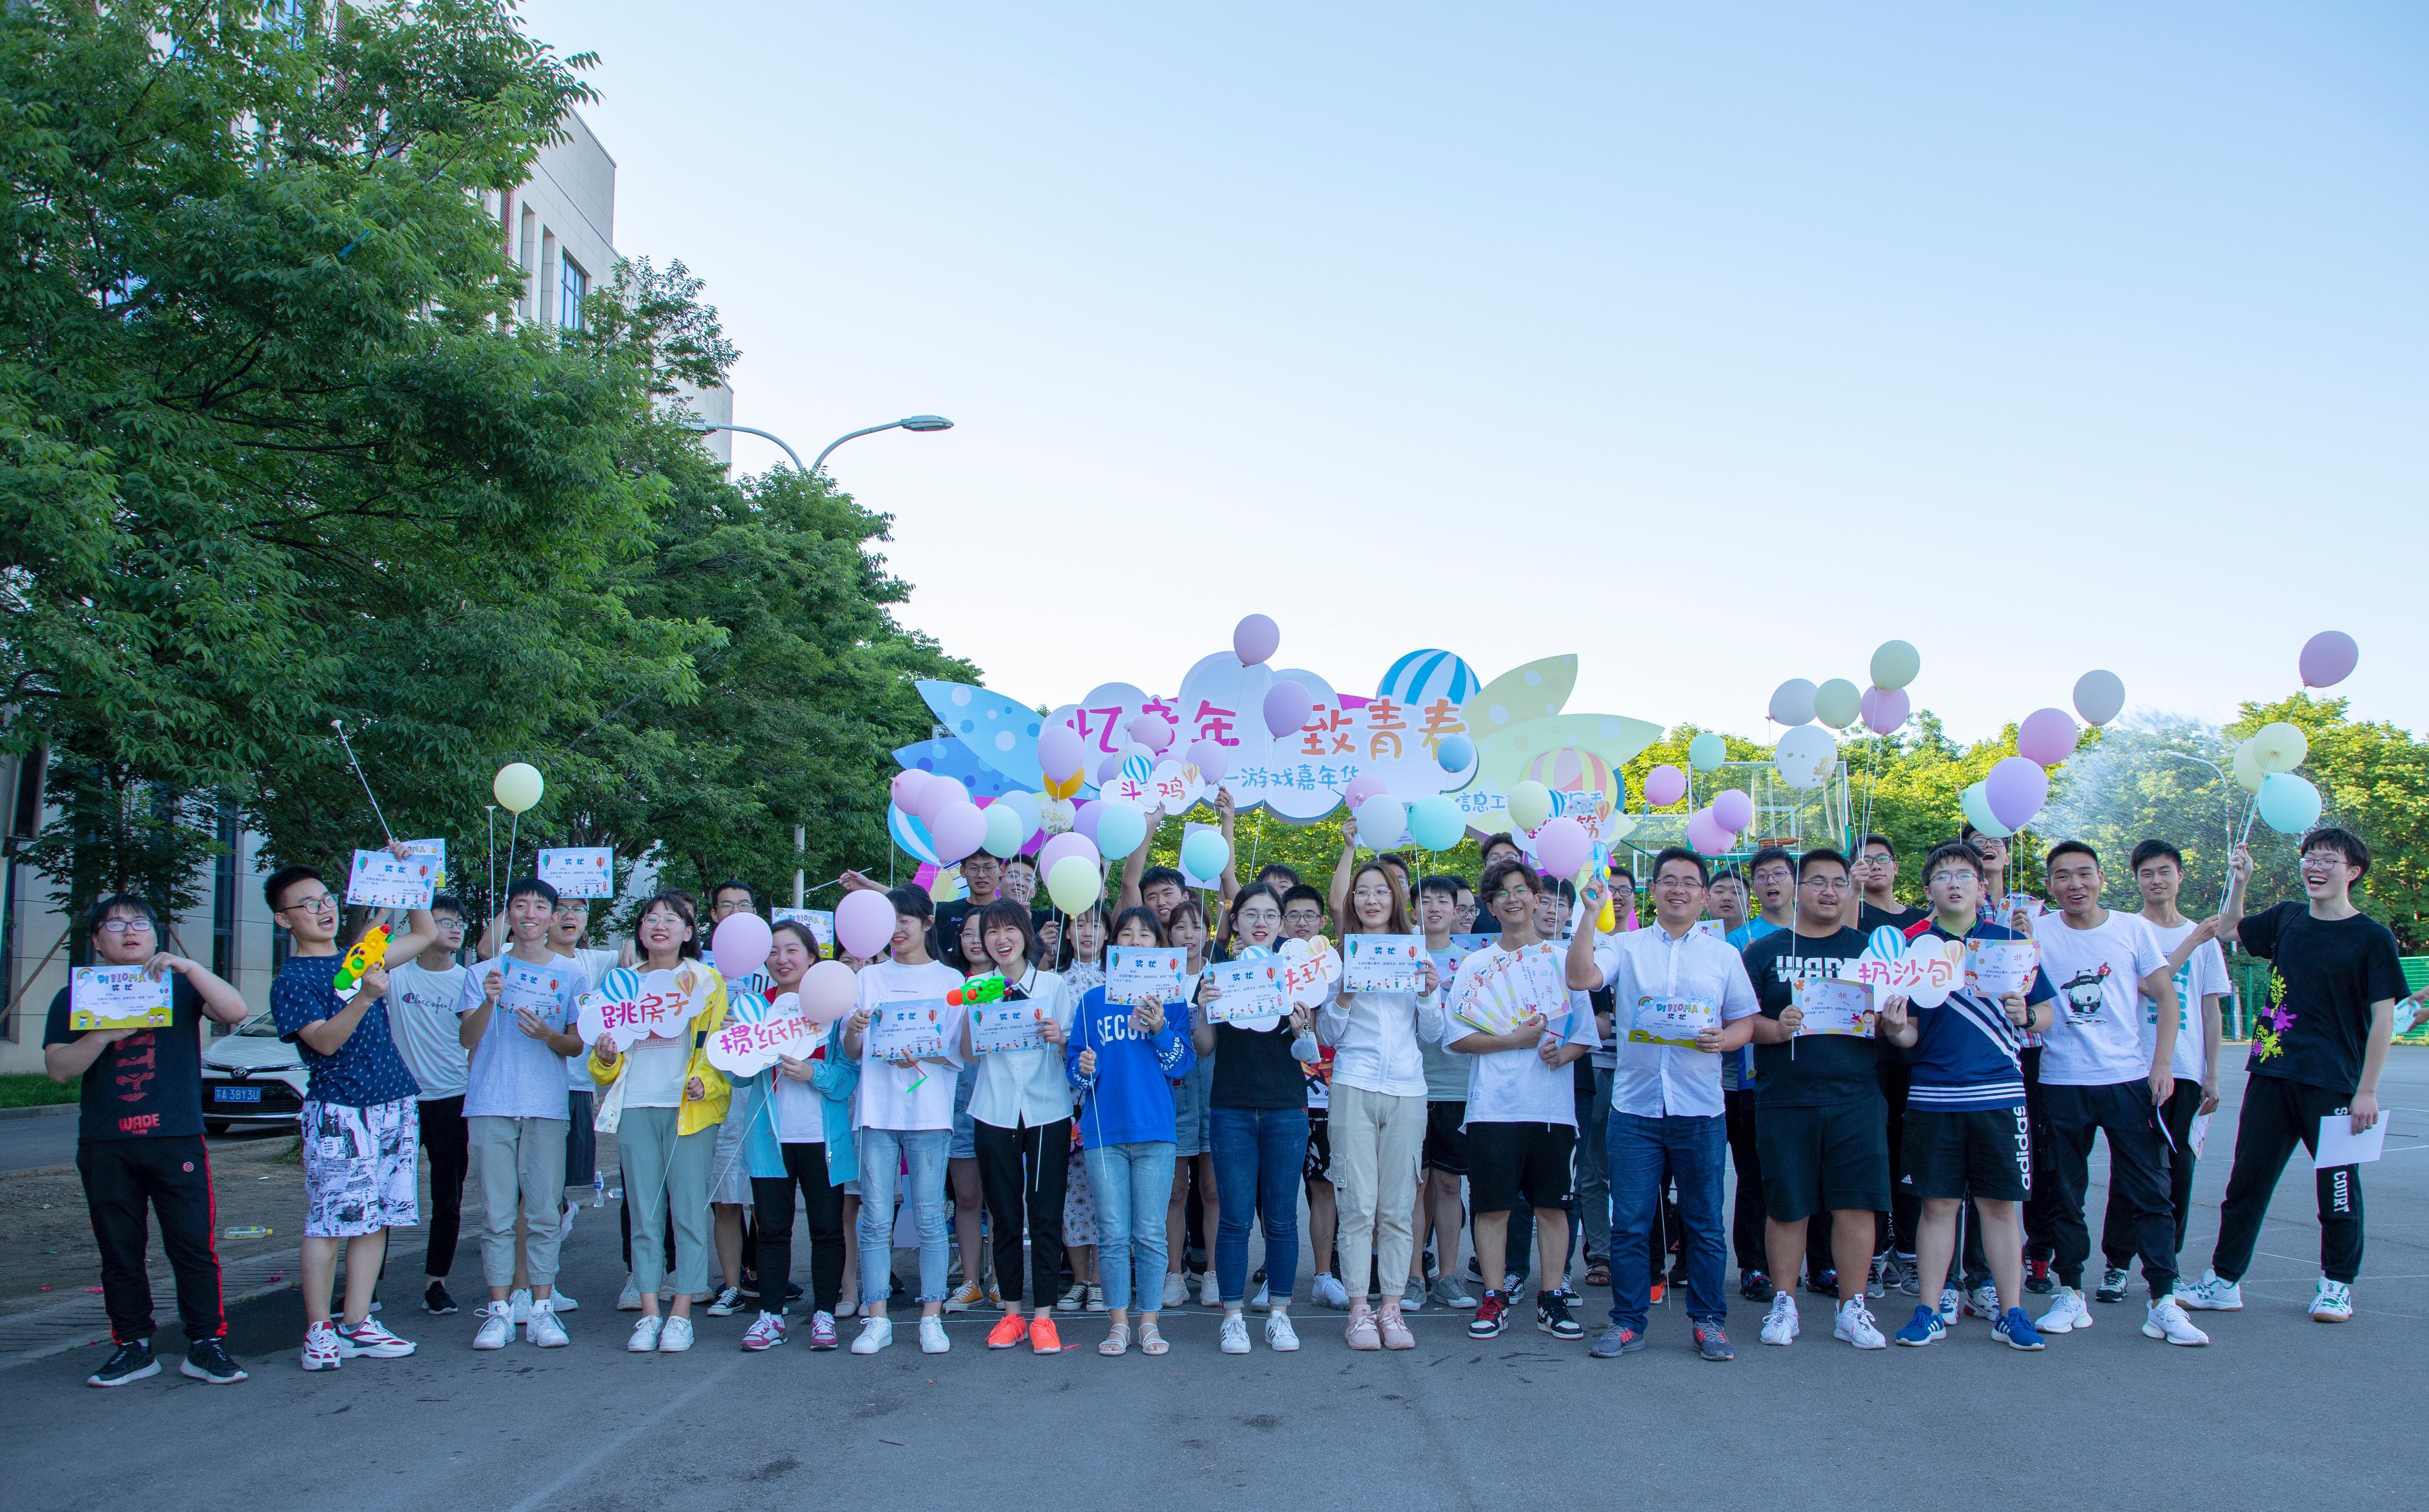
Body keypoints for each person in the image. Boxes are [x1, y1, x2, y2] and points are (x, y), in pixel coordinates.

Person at [2180, 831, 2405, 1324]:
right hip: (2272, 1072)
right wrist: (2241, 881)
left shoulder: (2373, 937)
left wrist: (2367, 1090)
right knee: (2246, 1184)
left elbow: (2383, 1018)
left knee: (2338, 1189)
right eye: (2309, 858)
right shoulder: (2287, 917)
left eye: (2328, 860)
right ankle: (2223, 1282)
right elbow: (2229, 930)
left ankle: (2336, 1286)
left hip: (2335, 1083)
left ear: (2353, 872)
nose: (2315, 867)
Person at [46, 895, 252, 1387]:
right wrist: (104, 1034)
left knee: (192, 1246)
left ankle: (205, 1344)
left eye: (139, 922)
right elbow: (58, 1069)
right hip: (106, 1142)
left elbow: (235, 1010)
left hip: (175, 1137)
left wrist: (190, 966)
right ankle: (134, 1346)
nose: (129, 931)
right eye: (115, 925)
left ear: (155, 934)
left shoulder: (181, 987)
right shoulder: (76, 995)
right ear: (97, 941)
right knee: (120, 1250)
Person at [1568, 847, 1757, 1361]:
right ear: (1652, 891)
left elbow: (1744, 1020)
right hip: (1635, 1109)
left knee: (1704, 1223)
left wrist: (1725, 1039)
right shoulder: (1624, 946)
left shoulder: (1723, 955)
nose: (1678, 889)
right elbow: (1580, 978)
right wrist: (1589, 914)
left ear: (1703, 895)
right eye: (1668, 880)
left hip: (1700, 1110)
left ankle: (1709, 1321)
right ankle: (1627, 1322)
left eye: (1689, 882)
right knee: (1630, 1223)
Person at [2030, 840, 2208, 1345]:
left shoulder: (2131, 929)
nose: (2074, 884)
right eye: (2062, 876)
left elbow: (2166, 998)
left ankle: (2162, 1300)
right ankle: (2070, 1293)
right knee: (2064, 1193)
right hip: (2061, 1081)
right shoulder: (2037, 932)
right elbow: (2022, 996)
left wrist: (2161, 1064)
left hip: (2126, 1079)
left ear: (2101, 878)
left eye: (2083, 873)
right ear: (2050, 885)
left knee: (2150, 1191)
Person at [1877, 841, 2053, 1350]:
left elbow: (2045, 1013)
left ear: (1981, 887)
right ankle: (1928, 1310)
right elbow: (1908, 1034)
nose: (1952, 883)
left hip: (1999, 1094)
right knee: (1937, 1207)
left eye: (1962, 875)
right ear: (1927, 890)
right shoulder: (1913, 949)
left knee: (1999, 1207)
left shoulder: (2011, 943)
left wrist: (2026, 1015)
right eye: (1941, 876)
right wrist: (1894, 1027)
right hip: (1933, 1096)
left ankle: (2011, 1312)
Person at [265, 858, 438, 1370]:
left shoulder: (357, 956)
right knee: (330, 1221)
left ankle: (358, 1323)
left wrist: (410, 876)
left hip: (394, 1101)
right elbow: (323, 1042)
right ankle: (319, 1329)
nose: (323, 909)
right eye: (308, 904)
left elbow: (424, 933)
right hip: (341, 1109)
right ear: (283, 918)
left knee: (375, 1217)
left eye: (326, 899)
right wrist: (364, 996)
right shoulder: (293, 979)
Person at [1443, 859, 1601, 1342]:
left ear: (1537, 898)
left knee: (1553, 1207)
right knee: (1492, 1207)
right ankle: (1494, 1296)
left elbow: (1585, 1035)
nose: (1512, 899)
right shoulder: (1475, 965)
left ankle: (1551, 1297)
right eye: (1501, 894)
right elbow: (1457, 1038)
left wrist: (1561, 1054)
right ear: (1489, 907)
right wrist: (1512, 1040)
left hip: (1552, 1109)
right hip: (1491, 1107)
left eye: (1520, 890)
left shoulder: (1564, 960)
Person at [1738, 849, 1890, 1349]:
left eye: (1838, 883)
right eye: (1817, 881)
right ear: (1797, 888)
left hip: (1855, 1096)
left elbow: (1895, 1021)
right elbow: (1740, 1021)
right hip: (1784, 1098)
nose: (1828, 891)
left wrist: (1889, 1019)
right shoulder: (1763, 951)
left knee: (1856, 1204)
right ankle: (1784, 1302)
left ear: (1849, 890)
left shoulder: (1870, 951)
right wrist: (1775, 1028)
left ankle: (1852, 1307)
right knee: (1788, 1205)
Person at [589, 892, 733, 1355]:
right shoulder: (622, 985)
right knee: (644, 1214)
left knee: (688, 1213)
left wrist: (706, 1083)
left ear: (689, 932)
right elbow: (602, 1065)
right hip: (635, 1107)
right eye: (651, 918)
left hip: (688, 1111)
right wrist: (605, 1058)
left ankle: (681, 1314)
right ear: (640, 930)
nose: (659, 926)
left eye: (671, 919)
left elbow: (718, 1047)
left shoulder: (706, 981)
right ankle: (649, 1312)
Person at [2097, 839, 2230, 1303]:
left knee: (2179, 1171)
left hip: (2186, 1070)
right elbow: (2145, 986)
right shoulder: (2126, 930)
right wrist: (2191, 943)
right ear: (2135, 879)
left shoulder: (2204, 937)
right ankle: (2116, 1263)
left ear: (2179, 876)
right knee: (2131, 1170)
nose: (2156, 880)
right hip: (2135, 1067)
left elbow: (2210, 1008)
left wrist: (2212, 1073)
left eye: (2164, 871)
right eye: (2147, 873)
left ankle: (2165, 1270)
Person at [455, 878, 585, 1349]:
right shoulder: (482, 972)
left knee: (544, 1211)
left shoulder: (571, 973)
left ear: (553, 916)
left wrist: (548, 1035)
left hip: (545, 1104)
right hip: (490, 1101)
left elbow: (577, 1045)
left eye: (540, 907)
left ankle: (542, 1308)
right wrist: (489, 1000)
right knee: (496, 1213)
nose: (530, 914)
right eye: (520, 906)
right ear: (508, 914)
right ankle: (499, 1310)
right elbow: (467, 1039)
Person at [1317, 862, 1437, 1350]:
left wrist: (1429, 995)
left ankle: (1392, 1307)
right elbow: (1328, 1034)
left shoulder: (1416, 952)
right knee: (1357, 1205)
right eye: (1363, 891)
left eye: (1381, 892)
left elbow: (1433, 1034)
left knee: (1398, 1207)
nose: (1371, 900)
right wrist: (1344, 994)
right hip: (1354, 1084)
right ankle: (1358, 1310)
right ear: (1353, 901)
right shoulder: (1339, 957)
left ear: (1396, 899)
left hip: (1408, 1090)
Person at [841, 886, 965, 1354]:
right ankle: (877, 1317)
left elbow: (956, 1052)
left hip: (929, 1113)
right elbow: (852, 1051)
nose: (897, 929)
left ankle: (931, 1316)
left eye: (905, 919)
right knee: (875, 1218)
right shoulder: (867, 978)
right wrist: (856, 1031)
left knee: (931, 1216)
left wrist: (918, 1051)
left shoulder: (950, 980)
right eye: (889, 921)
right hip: (876, 1112)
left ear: (928, 922)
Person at [1070, 907, 1196, 1355]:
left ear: (1159, 946)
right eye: (1127, 933)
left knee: (1150, 1232)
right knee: (1112, 1231)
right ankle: (1118, 1323)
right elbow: (1075, 1071)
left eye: (1146, 934)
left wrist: (1161, 1028)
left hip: (1155, 1130)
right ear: (1114, 945)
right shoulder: (1091, 1001)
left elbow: (1182, 1064)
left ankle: (1149, 1322)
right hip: (1104, 1131)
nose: (1137, 940)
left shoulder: (1173, 1000)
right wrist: (1083, 1066)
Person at [1192, 882, 1311, 1353]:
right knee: (1235, 1218)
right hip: (1232, 1107)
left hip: (1285, 1106)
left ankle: (1280, 1313)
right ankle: (1233, 1316)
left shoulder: (1296, 974)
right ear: (1235, 921)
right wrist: (1204, 1008)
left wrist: (1302, 1027)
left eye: (1269, 915)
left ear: (1281, 924)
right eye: (1250, 914)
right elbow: (1204, 1048)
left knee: (1281, 1218)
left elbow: (1310, 1052)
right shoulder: (1216, 973)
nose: (1260, 923)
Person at [736, 918, 858, 1352]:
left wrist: (812, 1073)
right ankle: (770, 1316)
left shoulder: (832, 1009)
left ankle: (824, 1313)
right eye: (773, 951)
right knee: (771, 1228)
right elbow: (735, 1078)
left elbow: (847, 1078)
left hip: (823, 1141)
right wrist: (737, 1045)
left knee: (827, 1228)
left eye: (791, 950)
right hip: (770, 1139)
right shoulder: (755, 1009)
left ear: (811, 957)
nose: (781, 959)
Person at [963, 901, 1077, 1355]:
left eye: (1009, 929)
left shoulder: (1053, 985)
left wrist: (1061, 1037)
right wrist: (975, 1014)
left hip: (1048, 1111)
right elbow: (968, 1054)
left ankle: (1043, 1318)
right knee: (1005, 1217)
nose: (1000, 939)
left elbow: (1075, 1049)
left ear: (1026, 934)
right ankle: (1011, 1314)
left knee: (1046, 1214)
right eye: (991, 932)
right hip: (994, 1110)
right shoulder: (977, 987)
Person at [384, 894, 472, 1318]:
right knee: (382, 1195)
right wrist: (387, 900)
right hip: (399, 1100)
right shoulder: (396, 975)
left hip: (453, 1097)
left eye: (459, 923)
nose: (454, 928)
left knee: (448, 1197)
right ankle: (366, 1287)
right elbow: (362, 957)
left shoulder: (468, 981)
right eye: (444, 921)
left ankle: (436, 1282)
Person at [1411, 874, 1479, 1312]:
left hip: (1458, 1085)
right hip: (1409, 1085)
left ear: (1457, 911)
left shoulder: (1473, 963)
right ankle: (1413, 1276)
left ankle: (1448, 1276)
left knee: (1450, 1185)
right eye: (1425, 899)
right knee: (1414, 1187)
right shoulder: (1397, 957)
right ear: (1412, 909)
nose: (1433, 907)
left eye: (1442, 901)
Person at [940, 908, 995, 1314]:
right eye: (968, 934)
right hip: (957, 1099)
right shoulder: (947, 985)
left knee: (1002, 1197)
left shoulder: (1012, 984)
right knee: (966, 1196)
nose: (976, 941)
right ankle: (971, 1281)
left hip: (1002, 1100)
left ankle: (1002, 1280)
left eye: (985, 933)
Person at [1856, 834, 1929, 933]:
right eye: (1866, 861)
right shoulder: (1851, 916)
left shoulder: (1922, 918)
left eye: (1882, 859)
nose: (1876, 866)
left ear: (1895, 868)